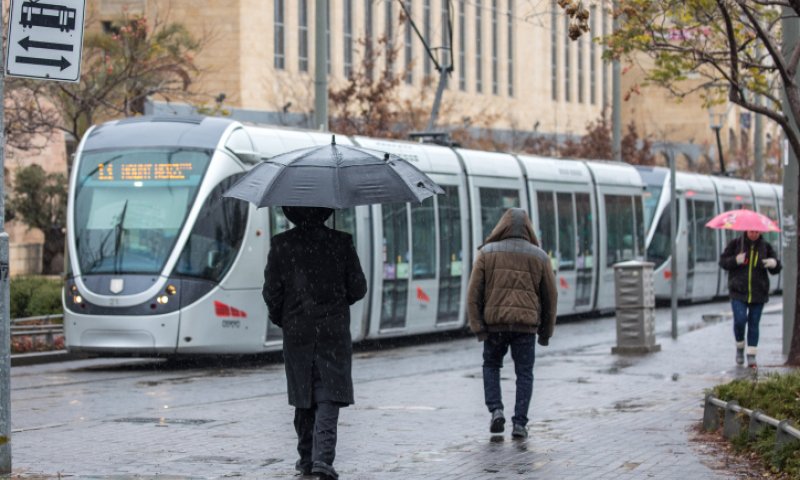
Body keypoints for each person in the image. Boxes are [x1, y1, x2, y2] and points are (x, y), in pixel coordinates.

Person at [262, 206, 367, 480]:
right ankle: (322, 460)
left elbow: (271, 292)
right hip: (333, 331)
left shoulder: (281, 244)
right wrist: (335, 303)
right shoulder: (341, 242)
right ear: (326, 211)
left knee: (303, 395)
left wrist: (285, 317)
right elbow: (358, 288)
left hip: (297, 331)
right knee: (329, 393)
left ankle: (307, 458)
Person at [466, 208, 557, 439]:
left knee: (491, 365)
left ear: (501, 226)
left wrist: (478, 326)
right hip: (525, 328)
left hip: (495, 326)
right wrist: (546, 332)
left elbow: (473, 293)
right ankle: (520, 424)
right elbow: (550, 296)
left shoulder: (486, 253)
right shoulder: (540, 256)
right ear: (528, 229)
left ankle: (496, 409)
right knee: (524, 373)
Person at [719, 230, 781, 368]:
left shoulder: (766, 247)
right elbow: (723, 262)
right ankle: (740, 346)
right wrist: (735, 260)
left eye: (757, 232)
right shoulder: (736, 244)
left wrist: (774, 263)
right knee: (740, 320)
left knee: (754, 323)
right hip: (738, 292)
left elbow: (776, 268)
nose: (754, 234)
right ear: (746, 231)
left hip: (758, 292)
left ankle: (751, 355)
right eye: (752, 232)